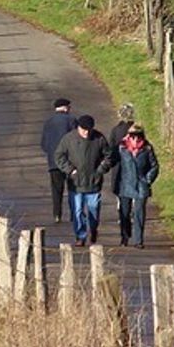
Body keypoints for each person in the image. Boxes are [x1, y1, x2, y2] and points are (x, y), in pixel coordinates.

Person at [55, 115, 113, 246]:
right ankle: (80, 235)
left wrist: (101, 169)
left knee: (93, 209)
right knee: (77, 211)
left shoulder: (99, 138)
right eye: (84, 130)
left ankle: (93, 229)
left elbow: (109, 156)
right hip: (75, 183)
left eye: (89, 130)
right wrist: (70, 170)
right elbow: (59, 156)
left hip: (94, 182)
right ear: (78, 128)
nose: (86, 133)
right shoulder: (68, 139)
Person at [114, 124, 160, 248]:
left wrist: (147, 179)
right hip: (125, 183)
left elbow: (154, 166)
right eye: (133, 137)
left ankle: (138, 240)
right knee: (124, 212)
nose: (135, 140)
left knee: (139, 213)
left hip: (141, 184)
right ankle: (124, 236)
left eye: (138, 137)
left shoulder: (147, 148)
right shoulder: (121, 147)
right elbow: (112, 161)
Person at [40, 97, 77, 222]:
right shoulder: (71, 120)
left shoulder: (48, 122)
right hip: (71, 161)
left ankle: (57, 214)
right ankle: (74, 213)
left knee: (56, 190)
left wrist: (52, 153)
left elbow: (44, 144)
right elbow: (76, 140)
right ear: (66, 108)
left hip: (53, 161)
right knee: (73, 189)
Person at [105, 103, 136, 242]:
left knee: (122, 202)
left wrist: (107, 165)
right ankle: (132, 221)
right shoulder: (137, 130)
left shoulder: (115, 131)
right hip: (135, 170)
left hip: (120, 170)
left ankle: (124, 230)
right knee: (134, 200)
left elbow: (111, 151)